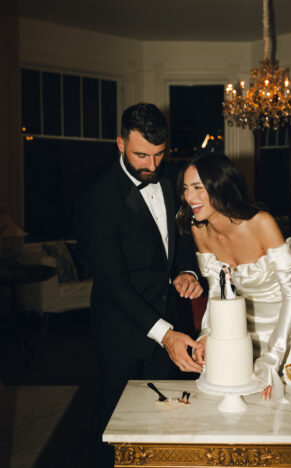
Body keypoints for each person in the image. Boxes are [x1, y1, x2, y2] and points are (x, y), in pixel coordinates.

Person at [75, 103, 204, 468]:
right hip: (121, 331)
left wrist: (187, 273)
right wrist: (165, 335)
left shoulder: (172, 178)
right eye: (141, 155)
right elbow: (113, 284)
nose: (152, 165)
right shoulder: (96, 200)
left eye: (159, 154)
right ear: (120, 143)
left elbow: (180, 241)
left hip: (170, 322)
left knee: (166, 424)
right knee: (115, 429)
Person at [176, 152, 291, 402]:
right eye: (185, 188)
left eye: (197, 187)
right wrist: (207, 333)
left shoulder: (261, 223)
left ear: (220, 185)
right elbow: (216, 290)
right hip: (241, 326)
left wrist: (274, 354)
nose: (189, 197)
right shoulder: (200, 229)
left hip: (287, 323)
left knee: (280, 397)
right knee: (237, 394)